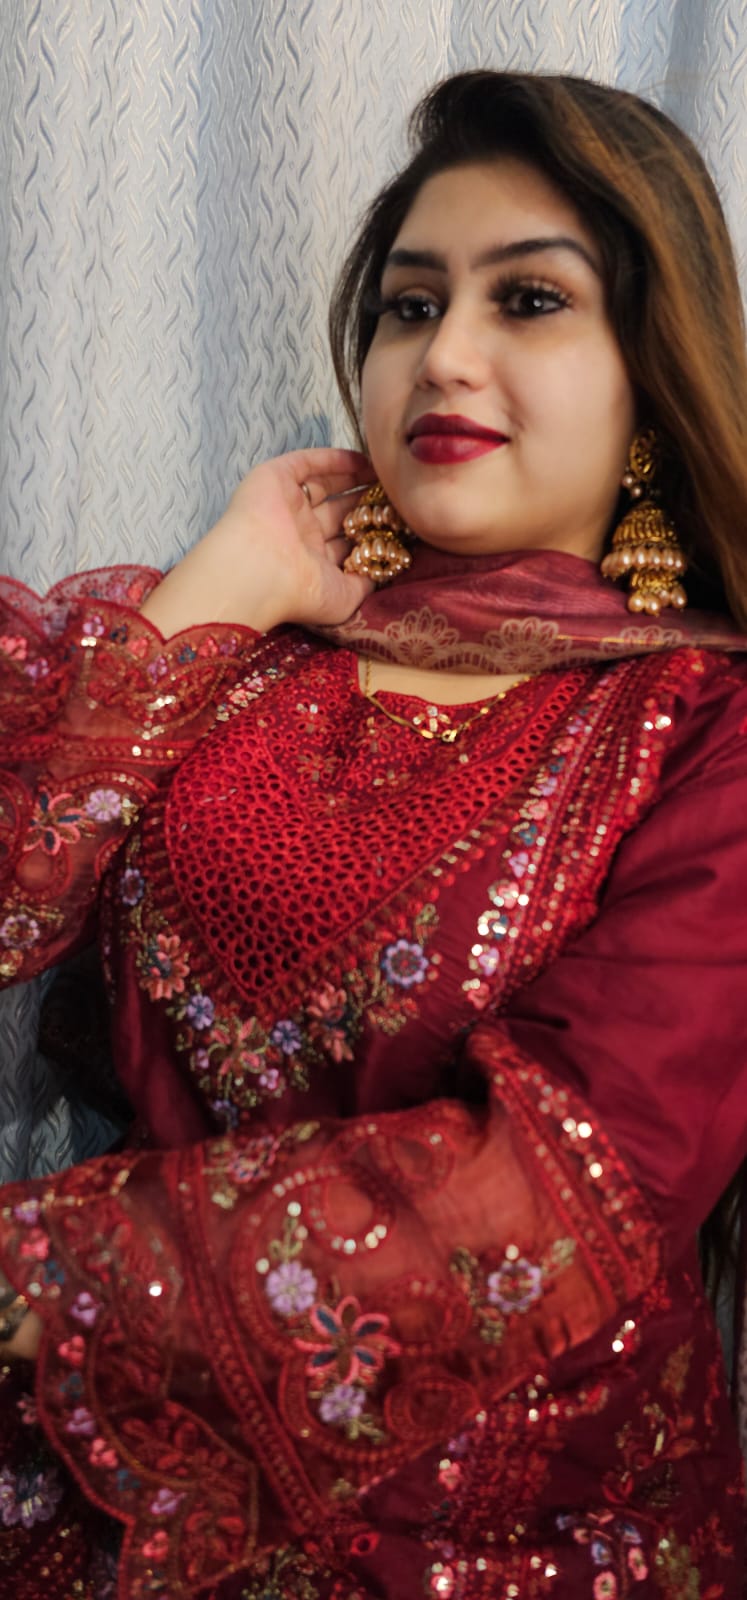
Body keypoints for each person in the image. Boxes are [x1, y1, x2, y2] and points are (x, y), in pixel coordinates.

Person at [0, 67, 745, 1600]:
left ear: (651, 377)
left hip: (508, 1544)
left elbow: (569, 1180)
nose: (445, 354)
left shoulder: (702, 732)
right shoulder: (240, 659)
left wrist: (40, 1286)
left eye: (529, 300)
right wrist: (231, 575)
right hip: (118, 1506)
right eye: (411, 306)